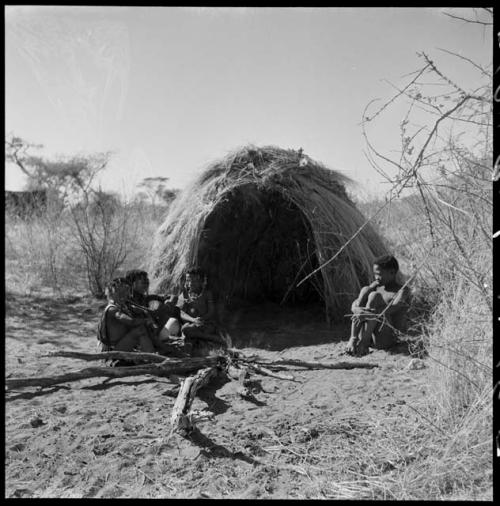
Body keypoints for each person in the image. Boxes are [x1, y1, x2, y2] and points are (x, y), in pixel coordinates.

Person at [345, 255, 409, 356]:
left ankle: (364, 342)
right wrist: (358, 310)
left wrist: (367, 314)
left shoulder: (402, 290)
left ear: (392, 272)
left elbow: (393, 307)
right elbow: (355, 304)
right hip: (369, 336)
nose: (376, 277)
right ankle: (353, 339)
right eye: (375, 274)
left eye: (379, 274)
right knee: (366, 290)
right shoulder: (376, 285)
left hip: (386, 339)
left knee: (374, 296)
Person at [167, 268, 226, 355]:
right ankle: (198, 343)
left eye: (194, 281)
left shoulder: (207, 294)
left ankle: (214, 338)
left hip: (206, 323)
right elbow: (181, 313)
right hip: (192, 324)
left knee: (189, 331)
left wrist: (202, 319)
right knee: (186, 329)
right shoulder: (184, 294)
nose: (190, 284)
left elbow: (211, 311)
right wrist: (193, 320)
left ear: (202, 282)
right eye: (188, 280)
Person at [97, 277, 157, 355]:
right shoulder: (112, 309)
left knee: (142, 327)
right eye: (121, 293)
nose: (125, 295)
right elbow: (131, 321)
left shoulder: (121, 305)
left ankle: (154, 352)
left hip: (121, 344)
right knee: (140, 330)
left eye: (126, 292)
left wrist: (143, 312)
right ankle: (152, 357)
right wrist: (145, 321)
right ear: (113, 293)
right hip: (112, 349)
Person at [124, 269, 181, 350]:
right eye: (143, 282)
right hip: (139, 338)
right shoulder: (127, 300)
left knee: (174, 314)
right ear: (132, 283)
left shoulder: (146, 298)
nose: (146, 284)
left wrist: (170, 302)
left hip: (153, 333)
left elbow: (173, 296)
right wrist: (163, 308)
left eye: (147, 282)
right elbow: (148, 312)